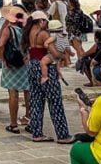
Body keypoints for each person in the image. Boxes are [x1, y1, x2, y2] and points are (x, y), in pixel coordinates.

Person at [23, 10, 72, 143]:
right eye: (45, 21)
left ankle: (37, 133)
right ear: (41, 21)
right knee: (54, 101)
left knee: (36, 100)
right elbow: (54, 53)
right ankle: (62, 135)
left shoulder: (28, 33)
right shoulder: (44, 34)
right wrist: (65, 56)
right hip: (45, 68)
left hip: (32, 66)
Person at [0, 4, 30, 133]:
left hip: (11, 64)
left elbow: (0, 45)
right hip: (24, 63)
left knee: (13, 93)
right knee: (28, 92)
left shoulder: (9, 30)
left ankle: (13, 123)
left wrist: (3, 59)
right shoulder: (26, 29)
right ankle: (30, 118)